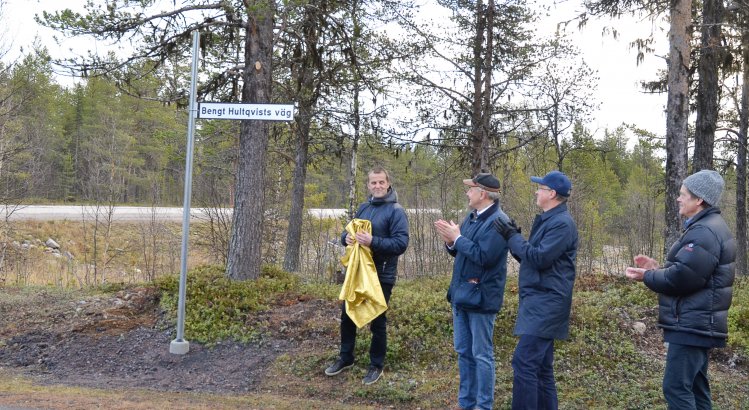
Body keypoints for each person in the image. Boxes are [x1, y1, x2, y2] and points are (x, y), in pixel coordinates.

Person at [625, 169, 735, 409]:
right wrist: (656, 268)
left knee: (676, 387)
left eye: (683, 194)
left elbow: (682, 279)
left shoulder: (704, 231)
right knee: (695, 387)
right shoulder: (707, 227)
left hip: (692, 324)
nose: (678, 198)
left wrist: (649, 276)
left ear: (699, 200)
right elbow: (689, 271)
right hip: (697, 323)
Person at [493, 170, 578, 410]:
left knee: (524, 363)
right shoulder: (548, 219)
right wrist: (515, 239)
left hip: (548, 303)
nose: (536, 191)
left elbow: (539, 258)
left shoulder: (561, 224)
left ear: (551, 193)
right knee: (541, 367)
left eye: (540, 188)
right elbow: (532, 259)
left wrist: (513, 237)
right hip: (540, 300)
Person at [324, 166, 409, 385]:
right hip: (357, 273)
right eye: (373, 182)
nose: (378, 186)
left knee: (377, 321)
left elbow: (401, 244)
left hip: (381, 275)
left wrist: (373, 242)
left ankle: (376, 365)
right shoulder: (364, 207)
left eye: (381, 182)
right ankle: (346, 357)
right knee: (347, 314)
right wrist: (347, 239)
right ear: (368, 185)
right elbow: (347, 231)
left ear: (388, 183)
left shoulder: (396, 211)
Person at [434, 172, 509, 410]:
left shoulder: (500, 222)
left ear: (483, 193)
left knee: (482, 355)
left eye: (471, 189)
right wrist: (450, 240)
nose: (467, 193)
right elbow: (461, 251)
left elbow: (484, 257)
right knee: (464, 352)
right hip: (462, 296)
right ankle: (466, 404)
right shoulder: (472, 217)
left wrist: (458, 238)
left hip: (482, 298)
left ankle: (483, 406)